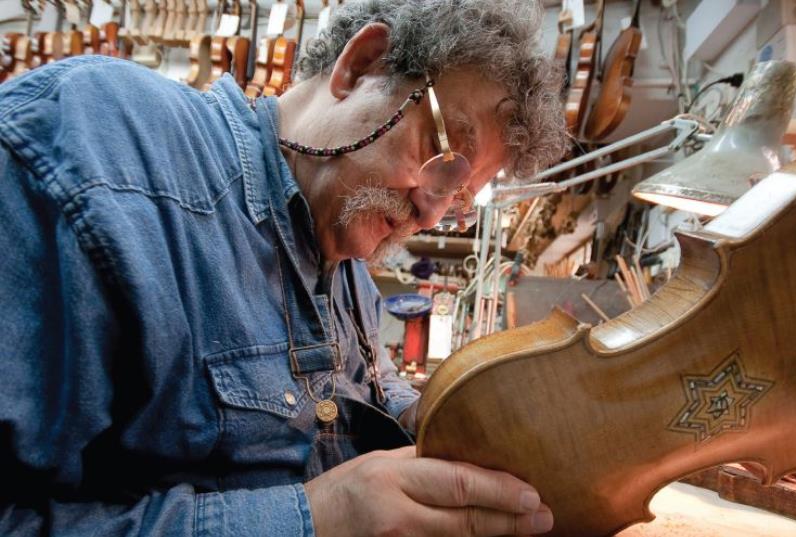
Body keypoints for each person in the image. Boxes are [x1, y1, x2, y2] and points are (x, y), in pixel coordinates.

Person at [0, 0, 565, 535]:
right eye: (443, 158)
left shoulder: (347, 273)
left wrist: (441, 416)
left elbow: (363, 391)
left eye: (460, 196)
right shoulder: (97, 141)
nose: (432, 210)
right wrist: (315, 519)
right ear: (360, 66)